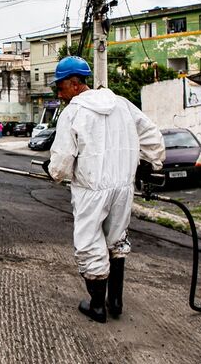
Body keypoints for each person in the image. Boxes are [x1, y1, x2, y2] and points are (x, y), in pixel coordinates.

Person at [44, 56, 164, 323]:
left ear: (75, 84)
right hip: (122, 187)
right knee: (116, 239)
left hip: (91, 188)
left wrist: (54, 172)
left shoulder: (73, 111)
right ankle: (116, 301)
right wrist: (151, 163)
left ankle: (98, 306)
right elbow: (151, 133)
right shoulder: (122, 105)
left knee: (89, 244)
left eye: (60, 85)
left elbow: (62, 160)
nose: (58, 91)